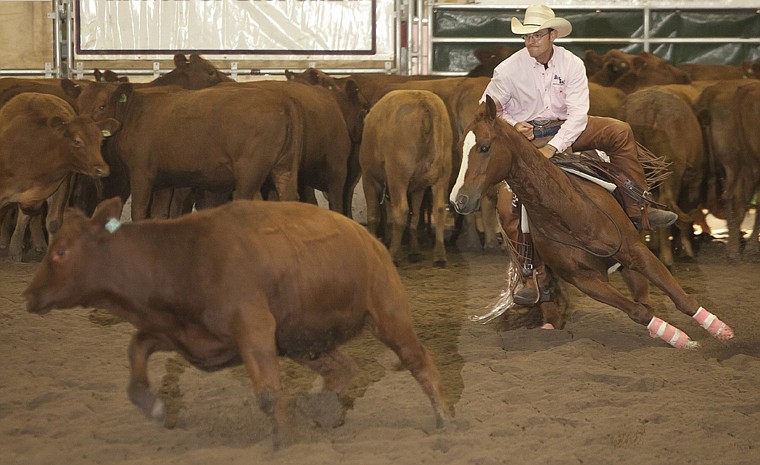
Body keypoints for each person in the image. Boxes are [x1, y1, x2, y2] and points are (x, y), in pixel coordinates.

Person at [482, 4, 678, 306]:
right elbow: (486, 109)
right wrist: (510, 124)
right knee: (508, 206)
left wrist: (553, 146)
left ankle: (639, 206)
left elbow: (578, 116)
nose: (530, 41)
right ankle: (530, 274)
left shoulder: (571, 64)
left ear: (552, 35)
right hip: (525, 140)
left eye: (536, 35)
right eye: (526, 36)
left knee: (620, 130)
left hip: (564, 129)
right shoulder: (507, 70)